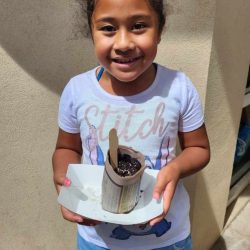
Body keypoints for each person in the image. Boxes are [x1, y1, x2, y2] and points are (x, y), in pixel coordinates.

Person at [52, 0, 210, 249]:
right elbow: (66, 148)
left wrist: (176, 168)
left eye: (138, 26)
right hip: (98, 240)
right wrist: (64, 180)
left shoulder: (178, 88)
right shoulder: (77, 90)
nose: (124, 43)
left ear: (159, 31)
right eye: (107, 28)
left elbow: (199, 149)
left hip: (167, 238)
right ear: (91, 31)